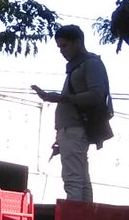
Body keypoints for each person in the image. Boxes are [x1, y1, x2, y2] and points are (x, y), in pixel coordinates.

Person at [31, 24, 111, 203]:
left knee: (73, 181)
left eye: (64, 46)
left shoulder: (90, 63)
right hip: (71, 129)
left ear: (78, 42)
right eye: (59, 47)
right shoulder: (78, 65)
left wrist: (62, 98)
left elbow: (97, 94)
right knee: (81, 181)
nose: (61, 51)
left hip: (76, 128)